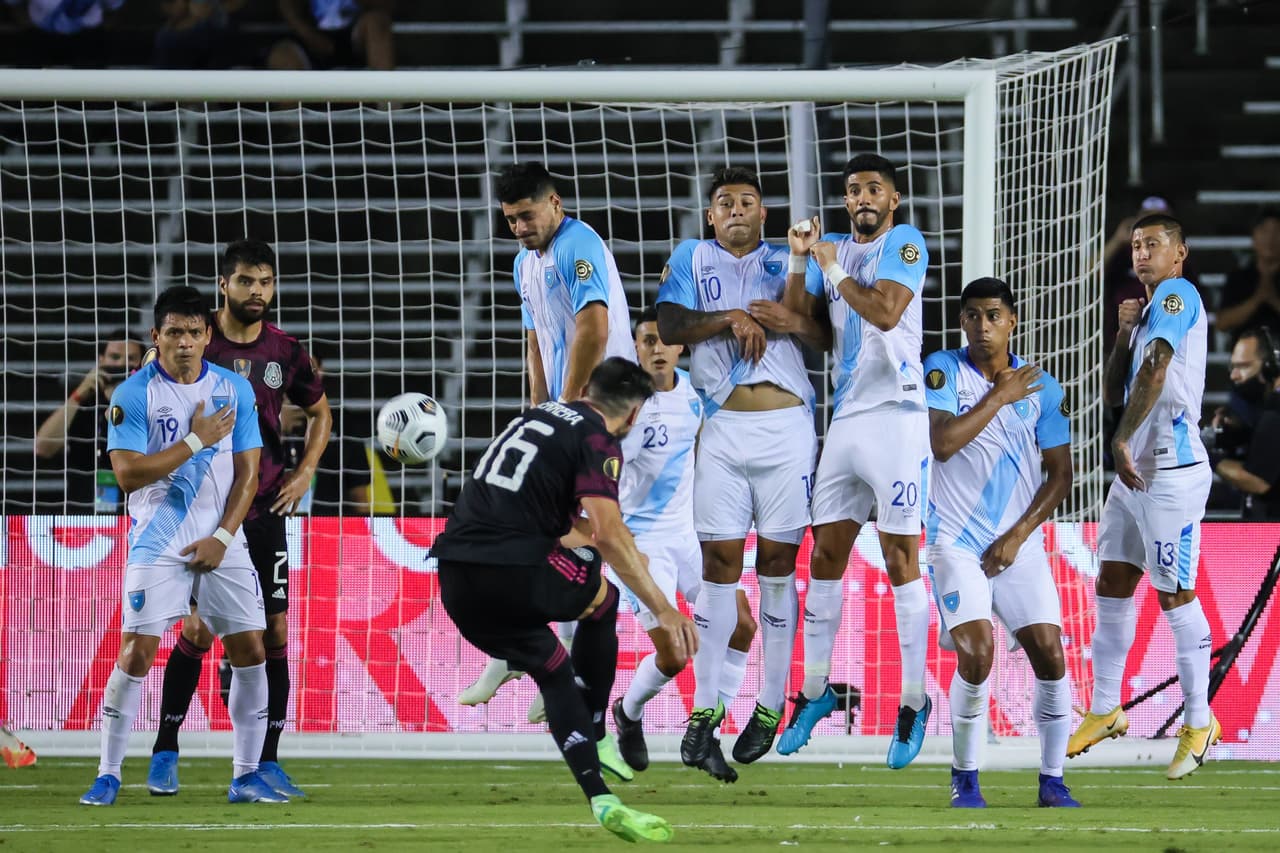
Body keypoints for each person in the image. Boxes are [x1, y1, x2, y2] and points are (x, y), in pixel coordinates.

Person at [434, 357, 697, 843]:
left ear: (588, 390)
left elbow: (557, 523)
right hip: (515, 570)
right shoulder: (599, 439)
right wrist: (663, 607)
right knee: (604, 598)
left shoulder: (536, 416)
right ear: (634, 414)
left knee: (554, 667)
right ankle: (597, 730)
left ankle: (600, 798)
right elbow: (609, 534)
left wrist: (600, 541)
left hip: (454, 578)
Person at [79, 285, 280, 805]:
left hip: (222, 541)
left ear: (207, 335)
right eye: (174, 333)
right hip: (157, 541)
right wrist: (195, 440)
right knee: (137, 653)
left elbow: (248, 474)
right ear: (156, 337)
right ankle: (108, 772)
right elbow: (126, 475)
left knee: (250, 650)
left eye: (194, 332)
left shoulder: (234, 391)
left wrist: (221, 535)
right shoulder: (133, 394)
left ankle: (245, 775)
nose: (185, 342)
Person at [147, 240, 331, 800]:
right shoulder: (197, 344)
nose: (258, 291)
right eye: (247, 281)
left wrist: (303, 473)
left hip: (266, 505)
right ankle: (165, 749)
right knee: (199, 631)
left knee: (274, 631)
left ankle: (265, 763)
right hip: (206, 509)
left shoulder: (287, 351)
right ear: (223, 285)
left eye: (266, 281)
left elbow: (321, 410)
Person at [459, 161, 635, 735]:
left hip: (602, 413)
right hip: (568, 413)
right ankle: (538, 658)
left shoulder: (578, 243)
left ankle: (561, 669)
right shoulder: (522, 263)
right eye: (509, 219)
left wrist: (566, 406)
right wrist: (537, 405)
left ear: (554, 203)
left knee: (584, 537)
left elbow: (594, 328)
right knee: (553, 530)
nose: (518, 227)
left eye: (526, 215)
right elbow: (536, 334)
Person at [657, 165, 822, 770]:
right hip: (722, 430)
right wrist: (730, 318)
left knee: (777, 566)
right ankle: (704, 714)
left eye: (746, 202)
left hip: (786, 431)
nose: (734, 210)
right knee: (718, 567)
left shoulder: (788, 259)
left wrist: (790, 307)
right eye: (723, 202)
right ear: (710, 216)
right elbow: (670, 325)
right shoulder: (691, 258)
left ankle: (771, 704)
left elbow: (820, 336)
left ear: (764, 214)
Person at [777, 154, 934, 769]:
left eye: (874, 189)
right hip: (846, 416)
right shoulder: (832, 250)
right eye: (852, 190)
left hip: (897, 414)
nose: (862, 197)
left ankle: (914, 701)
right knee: (825, 556)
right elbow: (802, 322)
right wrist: (799, 257)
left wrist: (833, 267)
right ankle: (814, 694)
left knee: (900, 558)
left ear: (893, 200)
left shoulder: (906, 242)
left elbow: (887, 310)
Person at [1069, 213, 1220, 780]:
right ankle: (1106, 706)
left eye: (1153, 244)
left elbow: (1156, 371)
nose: (1140, 253)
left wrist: (1123, 437)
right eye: (1134, 245)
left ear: (1180, 254)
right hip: (1136, 475)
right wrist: (1122, 336)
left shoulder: (1178, 295)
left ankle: (1200, 721)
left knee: (1175, 594)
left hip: (1171, 473)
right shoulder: (1147, 312)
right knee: (1112, 578)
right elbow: (1116, 388)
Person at [922, 277, 1080, 808]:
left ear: (1012, 321)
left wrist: (1017, 535)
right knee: (978, 652)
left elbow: (1060, 475)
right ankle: (965, 776)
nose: (982, 326)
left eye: (993, 315)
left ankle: (1053, 780)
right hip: (956, 542)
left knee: (1051, 656)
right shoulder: (942, 369)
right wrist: (998, 396)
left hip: (1016, 543)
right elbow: (941, 444)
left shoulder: (1045, 388)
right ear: (961, 322)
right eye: (971, 315)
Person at [610, 307, 757, 783]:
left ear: (679, 347)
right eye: (646, 341)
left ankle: (706, 731)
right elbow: (603, 474)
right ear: (635, 349)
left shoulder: (695, 393)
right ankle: (628, 714)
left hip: (688, 536)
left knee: (742, 625)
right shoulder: (624, 407)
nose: (656, 349)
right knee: (674, 655)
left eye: (662, 340)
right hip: (642, 542)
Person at [35, 329, 144, 514]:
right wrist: (79, 394)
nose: (121, 365)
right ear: (101, 360)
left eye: (130, 359)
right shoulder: (83, 402)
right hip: (83, 515)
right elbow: (43, 447)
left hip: (135, 515)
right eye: (114, 357)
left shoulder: (150, 402)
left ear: (142, 365)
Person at [281, 355, 373, 515]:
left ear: (320, 372)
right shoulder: (266, 417)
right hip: (276, 524)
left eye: (308, 368)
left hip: (331, 527)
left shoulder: (344, 422)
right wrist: (278, 427)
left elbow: (359, 494)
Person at [1210, 327, 1280, 519]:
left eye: (1243, 366)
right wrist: (1238, 434)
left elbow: (1257, 480)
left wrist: (1205, 455)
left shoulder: (1275, 413)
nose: (1234, 376)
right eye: (1233, 367)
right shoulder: (1268, 408)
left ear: (1268, 367)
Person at [268, 0, 395, 71]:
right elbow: (287, 8)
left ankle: (388, 111)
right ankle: (293, 118)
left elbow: (384, 8)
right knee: (281, 60)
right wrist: (309, 35)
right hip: (308, 36)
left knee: (376, 22)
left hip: (355, 35)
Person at [1216, 210, 1280, 337]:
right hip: (1246, 354)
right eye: (1264, 231)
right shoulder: (1238, 277)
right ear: (1253, 237)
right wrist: (1257, 299)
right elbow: (1222, 323)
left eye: (1277, 231)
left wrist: (1273, 299)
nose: (1270, 238)